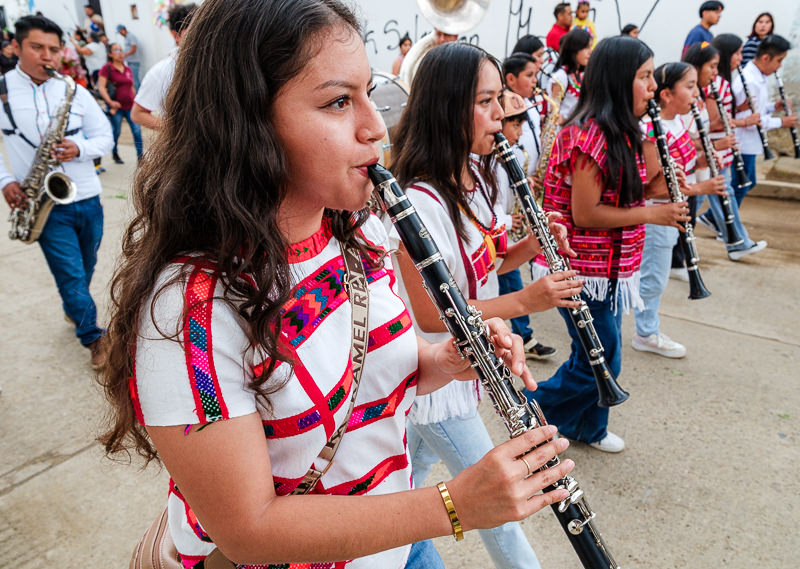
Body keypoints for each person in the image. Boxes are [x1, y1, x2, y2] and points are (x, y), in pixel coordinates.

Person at [98, 2, 575, 569]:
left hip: (394, 539)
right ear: (246, 122)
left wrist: (445, 359)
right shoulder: (189, 311)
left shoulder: (358, 229)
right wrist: (455, 504)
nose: (376, 127)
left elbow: (374, 370)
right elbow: (249, 530)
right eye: (338, 102)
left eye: (368, 93)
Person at [388, 41, 582, 569]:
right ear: (448, 107)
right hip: (436, 374)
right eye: (486, 101)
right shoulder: (417, 200)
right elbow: (431, 312)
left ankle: (390, 541)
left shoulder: (478, 177)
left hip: (466, 363)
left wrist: (534, 245)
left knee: (406, 475)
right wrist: (527, 299)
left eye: (500, 99)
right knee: (502, 505)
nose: (501, 114)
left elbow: (488, 261)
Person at [522, 36, 690, 453]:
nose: (653, 87)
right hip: (580, 267)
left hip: (612, 268)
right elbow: (587, 213)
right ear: (618, 80)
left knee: (598, 354)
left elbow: (632, 190)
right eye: (644, 77)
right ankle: (527, 413)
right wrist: (653, 213)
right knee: (599, 359)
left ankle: (589, 427)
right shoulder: (587, 135)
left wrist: (667, 182)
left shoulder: (626, 131)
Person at [0, 15, 113, 368]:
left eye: (53, 49)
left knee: (86, 265)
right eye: (37, 47)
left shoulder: (73, 91)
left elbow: (105, 138)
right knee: (71, 274)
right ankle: (93, 337)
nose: (47, 56)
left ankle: (74, 307)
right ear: (16, 47)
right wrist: (5, 180)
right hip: (44, 205)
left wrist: (79, 148)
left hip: (88, 197)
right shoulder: (3, 90)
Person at [634, 62, 726, 359]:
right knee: (654, 276)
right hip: (657, 214)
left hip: (673, 211)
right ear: (667, 94)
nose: (696, 93)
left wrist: (702, 161)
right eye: (690, 86)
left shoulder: (677, 123)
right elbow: (652, 186)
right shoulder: (651, 129)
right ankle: (646, 333)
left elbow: (681, 169)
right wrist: (701, 188)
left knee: (654, 273)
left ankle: (647, 328)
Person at [500, 55, 557, 359]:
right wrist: (511, 221)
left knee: (505, 280)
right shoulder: (490, 162)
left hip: (505, 229)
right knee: (509, 280)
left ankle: (521, 334)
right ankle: (523, 335)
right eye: (515, 124)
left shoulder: (511, 152)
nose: (520, 131)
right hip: (499, 231)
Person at [696, 34, 768, 260]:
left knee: (718, 195)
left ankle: (736, 241)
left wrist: (739, 109)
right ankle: (737, 242)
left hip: (721, 149)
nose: (741, 58)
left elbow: (723, 115)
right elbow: (713, 122)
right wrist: (744, 121)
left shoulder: (721, 83)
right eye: (737, 53)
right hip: (715, 147)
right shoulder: (716, 84)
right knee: (705, 197)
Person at [733, 34, 797, 206]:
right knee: (740, 186)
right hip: (743, 142)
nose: (780, 65)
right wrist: (781, 122)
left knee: (749, 182)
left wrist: (773, 107)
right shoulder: (750, 81)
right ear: (765, 58)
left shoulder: (759, 77)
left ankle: (715, 218)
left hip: (751, 142)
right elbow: (750, 119)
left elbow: (757, 110)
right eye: (779, 60)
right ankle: (719, 219)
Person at [131, 3, 196, 130]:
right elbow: (138, 114)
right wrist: (176, 131)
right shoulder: (161, 71)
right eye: (192, 32)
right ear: (176, 35)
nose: (200, 37)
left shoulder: (216, 63)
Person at [98, 42, 143, 164]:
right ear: (110, 54)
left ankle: (141, 158)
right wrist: (110, 102)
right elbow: (101, 87)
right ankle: (115, 153)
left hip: (131, 107)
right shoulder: (107, 69)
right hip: (116, 108)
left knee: (137, 131)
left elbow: (131, 87)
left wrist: (136, 101)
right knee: (116, 132)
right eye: (116, 50)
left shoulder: (127, 69)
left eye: (121, 50)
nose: (120, 53)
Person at [549, 28, 592, 123]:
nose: (590, 52)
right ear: (574, 49)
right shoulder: (561, 76)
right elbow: (553, 113)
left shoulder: (580, 75)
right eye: (586, 48)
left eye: (590, 47)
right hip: (563, 130)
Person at [116, 24, 141, 90]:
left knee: (135, 81)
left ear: (123, 30)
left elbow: (134, 49)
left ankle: (139, 94)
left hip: (134, 62)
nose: (120, 34)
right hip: (130, 62)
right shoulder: (126, 37)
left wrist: (125, 55)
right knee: (133, 80)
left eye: (120, 32)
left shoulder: (130, 36)